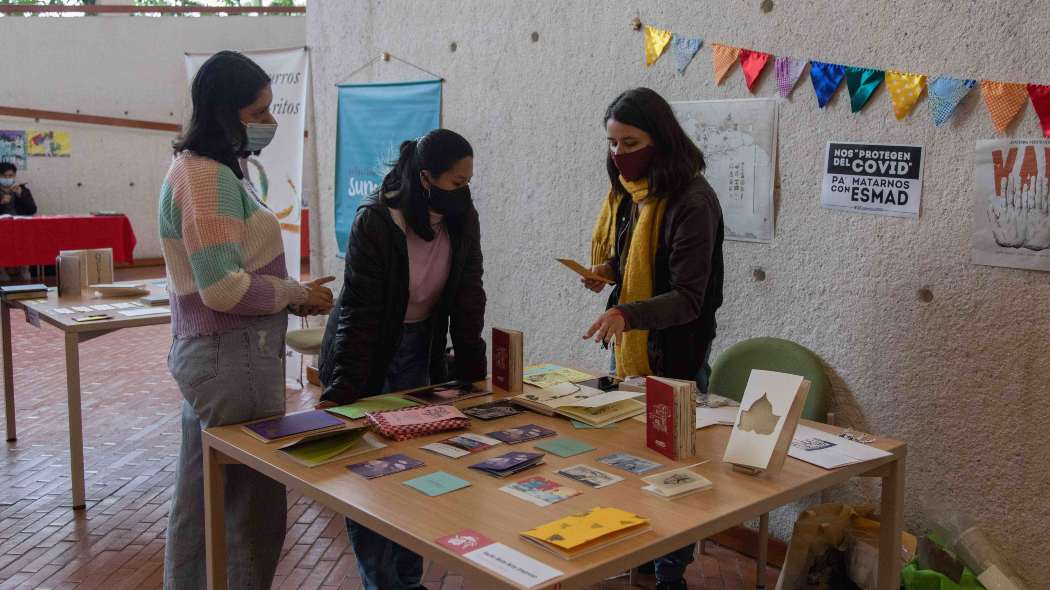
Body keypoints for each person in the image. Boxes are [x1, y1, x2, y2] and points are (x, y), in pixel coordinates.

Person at [159, 50, 334, 590]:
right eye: (258, 112)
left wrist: (291, 298)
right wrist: (291, 292)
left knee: (203, 500)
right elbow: (223, 288)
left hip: (223, 354)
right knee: (250, 512)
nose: (269, 123)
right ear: (224, 111)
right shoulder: (206, 178)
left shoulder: (213, 171)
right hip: (231, 357)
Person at [317, 128, 487, 590]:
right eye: (456, 182)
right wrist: (343, 394)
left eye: (469, 181)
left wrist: (475, 376)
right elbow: (359, 312)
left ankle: (409, 582)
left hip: (421, 353)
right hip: (367, 353)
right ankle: (382, 583)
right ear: (426, 178)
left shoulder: (461, 216)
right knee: (369, 475)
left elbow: (469, 296)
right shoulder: (377, 220)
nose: (464, 191)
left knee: (418, 469)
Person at [581, 87, 724, 590]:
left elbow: (688, 297)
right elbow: (636, 265)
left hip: (677, 358)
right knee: (632, 464)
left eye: (630, 142)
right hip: (635, 356)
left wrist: (626, 311)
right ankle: (643, 557)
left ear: (660, 139)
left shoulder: (693, 201)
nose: (619, 154)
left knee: (673, 480)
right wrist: (607, 272)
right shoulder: (631, 193)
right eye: (612, 143)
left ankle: (670, 575)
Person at [0, 162, 38, 281]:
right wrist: (1, 203)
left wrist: (20, 194)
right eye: (4, 176)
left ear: (14, 175)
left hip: (19, 227)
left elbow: (32, 209)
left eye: (10, 176)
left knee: (25, 241)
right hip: (1, 229)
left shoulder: (22, 189)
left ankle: (25, 271)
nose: (7, 179)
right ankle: (2, 272)